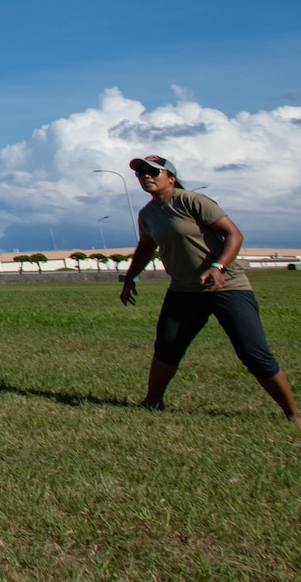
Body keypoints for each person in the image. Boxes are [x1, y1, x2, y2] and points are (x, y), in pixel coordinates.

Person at [119, 155, 297, 424]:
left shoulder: (192, 201)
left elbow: (234, 234)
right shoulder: (148, 214)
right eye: (140, 172)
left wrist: (218, 266)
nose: (146, 176)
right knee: (167, 346)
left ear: (171, 177)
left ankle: (293, 413)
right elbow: (146, 247)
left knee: (253, 353)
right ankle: (153, 401)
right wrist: (131, 278)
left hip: (227, 287)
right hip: (183, 291)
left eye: (153, 171)